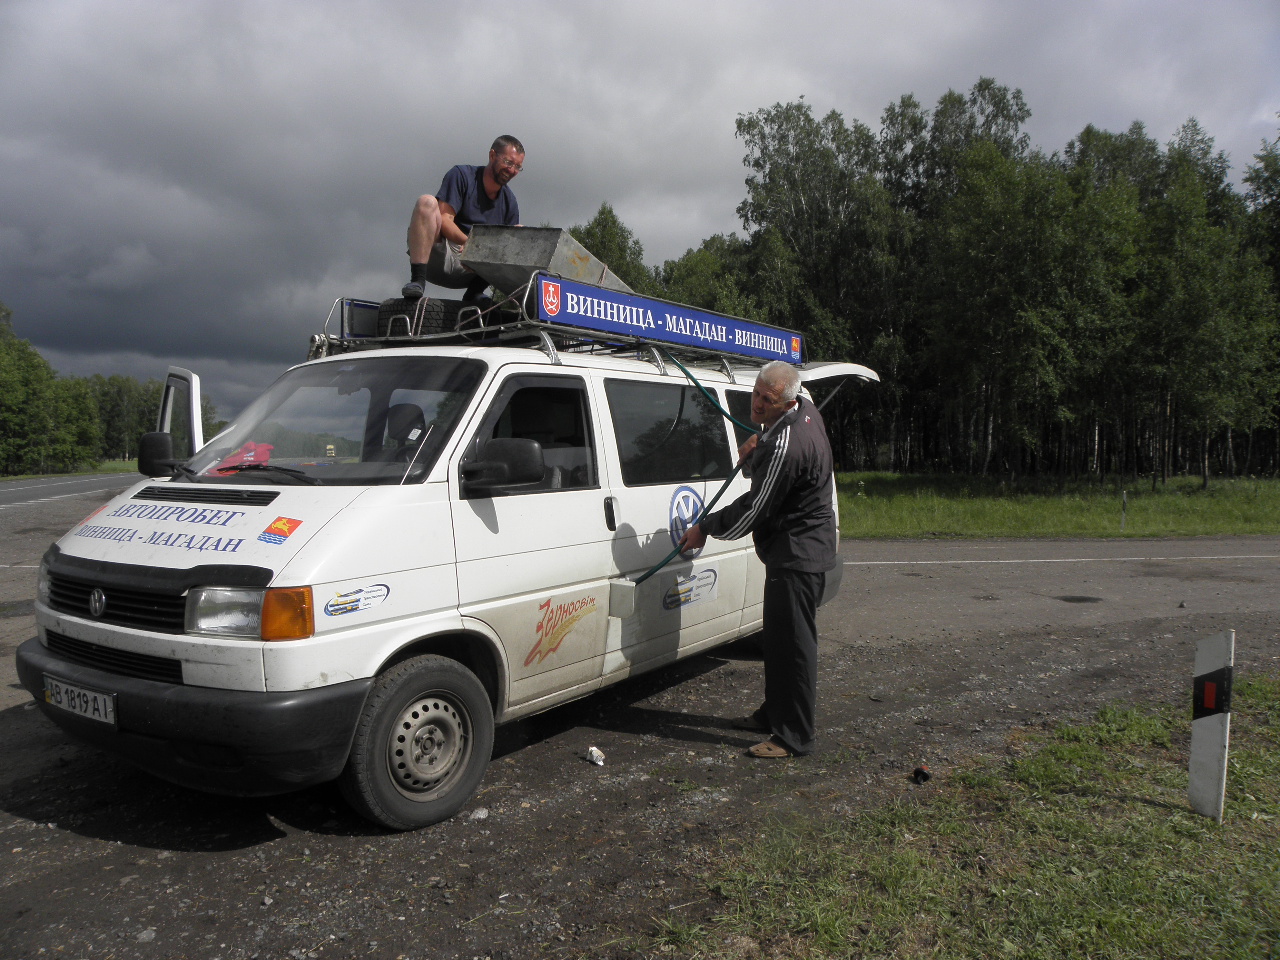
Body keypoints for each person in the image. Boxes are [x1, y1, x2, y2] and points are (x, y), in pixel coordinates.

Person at [678, 361, 838, 759]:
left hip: (797, 557)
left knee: (795, 649)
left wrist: (705, 527)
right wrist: (758, 442)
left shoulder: (787, 446)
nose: (757, 404)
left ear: (786, 403)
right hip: (797, 550)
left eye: (767, 400)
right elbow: (774, 447)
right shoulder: (803, 412)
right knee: (780, 644)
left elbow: (754, 511)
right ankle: (774, 715)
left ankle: (795, 736)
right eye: (755, 393)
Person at [401, 135, 525, 301]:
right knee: (427, 202)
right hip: (440, 256)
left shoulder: (510, 202)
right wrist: (470, 243)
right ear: (492, 155)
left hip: (475, 269)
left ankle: (474, 294)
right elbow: (445, 219)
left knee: (519, 233)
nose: (512, 170)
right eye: (508, 162)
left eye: (518, 167)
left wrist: (480, 254)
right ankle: (417, 281)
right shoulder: (461, 175)